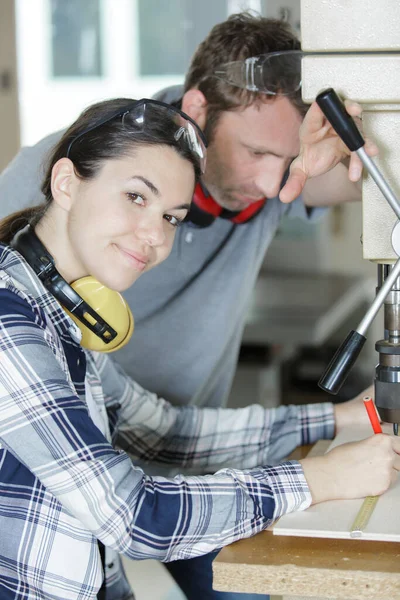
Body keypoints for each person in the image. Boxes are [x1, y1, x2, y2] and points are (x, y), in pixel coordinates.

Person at [0, 12, 380, 600]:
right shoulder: (13, 315)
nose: (153, 236)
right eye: (134, 197)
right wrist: (318, 477)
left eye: (171, 217)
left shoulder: (69, 327)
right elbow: (131, 513)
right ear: (67, 182)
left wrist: (341, 419)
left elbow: (170, 434)